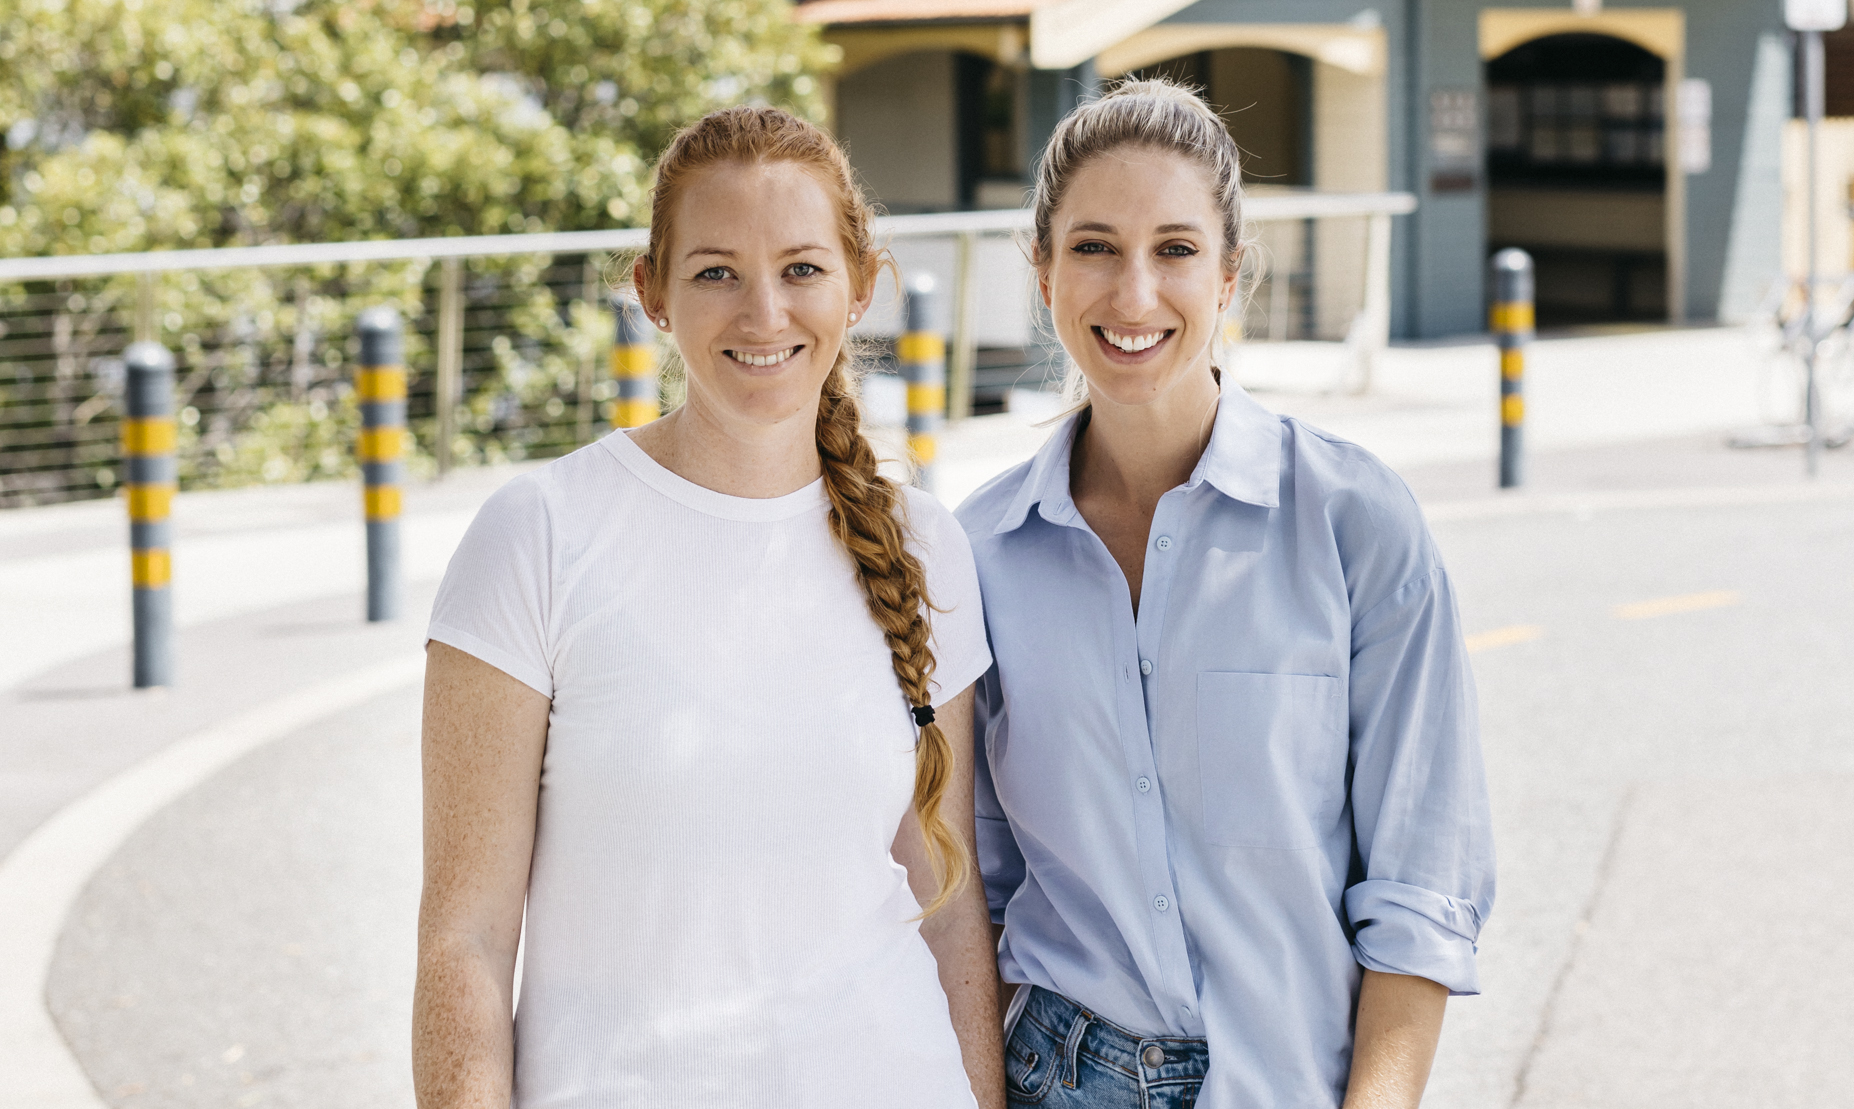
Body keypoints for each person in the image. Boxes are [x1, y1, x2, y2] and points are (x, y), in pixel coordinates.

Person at [412, 107, 1005, 1108]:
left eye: (802, 270)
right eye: (716, 271)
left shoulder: (925, 546)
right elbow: (464, 938)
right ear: (652, 292)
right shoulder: (538, 536)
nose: (764, 313)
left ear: (861, 287)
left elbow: (946, 912)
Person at [958, 78, 1496, 1109]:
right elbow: (970, 897)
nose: (1132, 296)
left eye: (1174, 249)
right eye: (1092, 248)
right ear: (1041, 272)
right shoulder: (977, 556)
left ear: (1230, 275)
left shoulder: (1351, 522)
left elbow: (1423, 884)